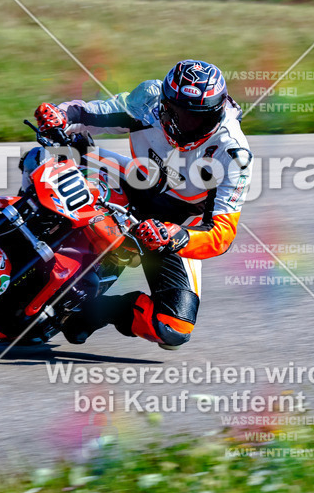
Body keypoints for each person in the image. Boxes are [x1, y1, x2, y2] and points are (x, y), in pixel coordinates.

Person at [30, 60, 252, 350]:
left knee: (173, 329)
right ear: (166, 104)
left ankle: (96, 310)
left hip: (174, 226)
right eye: (182, 115)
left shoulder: (233, 153)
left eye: (200, 118)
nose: (190, 125)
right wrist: (60, 114)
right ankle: (22, 228)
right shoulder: (149, 98)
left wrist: (175, 237)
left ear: (218, 110)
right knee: (52, 150)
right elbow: (91, 114)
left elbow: (221, 234)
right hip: (132, 181)